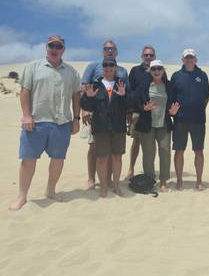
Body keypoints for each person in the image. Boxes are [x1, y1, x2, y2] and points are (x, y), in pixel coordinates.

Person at [9, 35, 81, 211]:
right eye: (52, 45)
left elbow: (76, 96)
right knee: (28, 159)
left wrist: (76, 119)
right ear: (46, 47)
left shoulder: (71, 72)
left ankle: (51, 190)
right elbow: (25, 92)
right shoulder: (33, 67)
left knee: (58, 159)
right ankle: (22, 196)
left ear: (63, 49)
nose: (55, 49)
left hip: (62, 122)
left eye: (59, 46)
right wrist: (26, 115)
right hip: (36, 122)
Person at [81, 40, 129, 190]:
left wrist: (128, 111)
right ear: (102, 52)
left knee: (113, 152)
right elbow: (85, 87)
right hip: (96, 116)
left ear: (116, 52)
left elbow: (126, 93)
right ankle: (91, 178)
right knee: (94, 148)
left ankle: (108, 180)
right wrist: (84, 110)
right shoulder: (93, 66)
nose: (109, 51)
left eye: (112, 49)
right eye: (106, 49)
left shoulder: (122, 71)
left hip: (116, 120)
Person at [133, 60, 178, 192]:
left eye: (159, 69)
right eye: (154, 69)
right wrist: (143, 108)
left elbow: (174, 101)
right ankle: (149, 180)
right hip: (147, 124)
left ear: (163, 70)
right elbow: (134, 100)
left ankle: (163, 181)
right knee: (148, 153)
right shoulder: (144, 85)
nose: (157, 71)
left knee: (165, 152)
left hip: (163, 124)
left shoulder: (169, 86)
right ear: (150, 71)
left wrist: (173, 111)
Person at [170, 49, 209, 190]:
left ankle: (199, 181)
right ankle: (179, 181)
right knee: (179, 150)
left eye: (191, 58)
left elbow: (206, 96)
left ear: (195, 60)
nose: (189, 60)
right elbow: (172, 97)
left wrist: (197, 108)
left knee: (198, 150)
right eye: (187, 58)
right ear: (182, 60)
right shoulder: (176, 76)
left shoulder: (202, 75)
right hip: (180, 120)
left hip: (198, 120)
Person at [126, 45, 157, 179]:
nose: (148, 57)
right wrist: (130, 111)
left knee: (151, 143)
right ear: (142, 56)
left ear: (154, 57)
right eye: (146, 55)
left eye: (151, 55)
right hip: (138, 112)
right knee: (136, 141)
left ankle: (149, 170)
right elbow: (130, 91)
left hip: (154, 113)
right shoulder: (135, 71)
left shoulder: (158, 70)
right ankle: (131, 169)